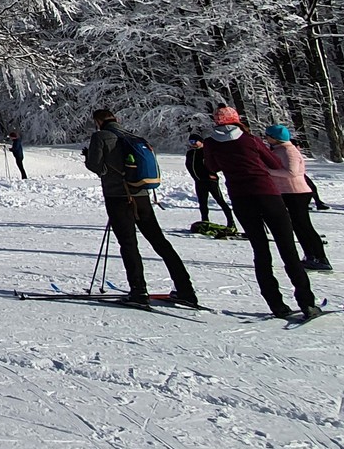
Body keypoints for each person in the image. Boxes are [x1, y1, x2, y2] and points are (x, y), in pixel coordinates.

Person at [200, 108, 320, 319]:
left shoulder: (211, 143)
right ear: (237, 120)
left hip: (240, 197)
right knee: (287, 248)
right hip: (267, 193)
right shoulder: (250, 140)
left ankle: (275, 304)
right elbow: (273, 163)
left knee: (260, 251)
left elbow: (211, 167)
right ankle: (306, 302)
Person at [83, 109, 198, 307]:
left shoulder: (100, 136)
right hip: (141, 196)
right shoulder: (133, 137)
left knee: (128, 244)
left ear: (97, 121)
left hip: (118, 196)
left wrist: (89, 157)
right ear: (116, 119)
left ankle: (138, 290)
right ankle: (186, 289)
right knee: (159, 241)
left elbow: (97, 167)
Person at [265, 125, 331, 271]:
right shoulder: (278, 150)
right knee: (298, 226)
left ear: (275, 138)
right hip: (287, 192)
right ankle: (310, 256)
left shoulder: (289, 150)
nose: (266, 138)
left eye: (268, 136)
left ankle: (320, 257)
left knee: (304, 226)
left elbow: (291, 172)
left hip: (297, 193)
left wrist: (268, 171)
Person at [186, 135, 236, 232]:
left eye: (195, 141)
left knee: (220, 200)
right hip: (199, 181)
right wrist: (195, 177)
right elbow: (189, 166)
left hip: (210, 181)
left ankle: (231, 222)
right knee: (202, 203)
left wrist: (212, 173)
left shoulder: (206, 151)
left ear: (201, 141)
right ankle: (205, 222)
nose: (193, 144)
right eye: (191, 142)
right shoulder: (190, 153)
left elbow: (217, 163)